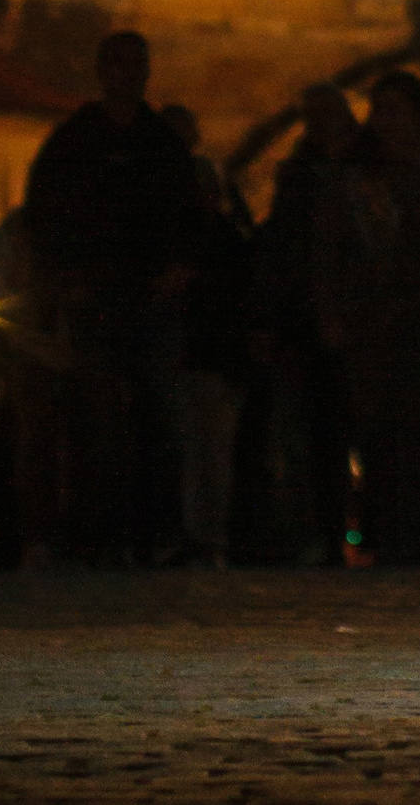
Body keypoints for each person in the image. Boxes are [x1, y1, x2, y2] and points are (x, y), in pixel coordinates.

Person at [23, 29, 205, 562]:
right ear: (104, 71)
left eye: (137, 65)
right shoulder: (75, 139)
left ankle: (156, 532)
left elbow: (190, 215)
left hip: (149, 299)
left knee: (155, 416)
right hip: (93, 298)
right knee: (92, 419)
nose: (129, 75)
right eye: (120, 65)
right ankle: (96, 532)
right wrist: (63, 281)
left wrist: (180, 268)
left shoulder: (160, 142)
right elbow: (44, 216)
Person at [318, 69, 420, 563]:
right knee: (375, 425)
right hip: (369, 315)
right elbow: (331, 243)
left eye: (395, 109)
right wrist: (331, 306)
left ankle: (416, 528)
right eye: (379, 108)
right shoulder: (355, 170)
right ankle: (382, 527)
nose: (385, 120)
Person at [252, 83, 358, 563]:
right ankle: (316, 532)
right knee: (309, 436)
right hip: (305, 323)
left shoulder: (365, 167)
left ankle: (347, 528)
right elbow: (282, 248)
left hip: (356, 321)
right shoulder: (297, 174)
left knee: (344, 432)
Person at [167, 112, 252, 568]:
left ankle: (210, 536)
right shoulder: (188, 237)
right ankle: (197, 534)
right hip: (194, 360)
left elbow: (234, 298)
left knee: (212, 455)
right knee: (194, 452)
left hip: (215, 362)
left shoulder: (224, 240)